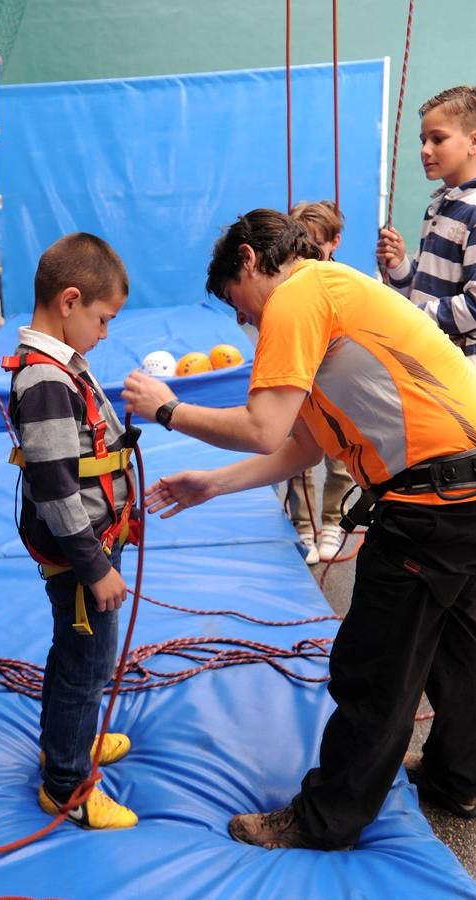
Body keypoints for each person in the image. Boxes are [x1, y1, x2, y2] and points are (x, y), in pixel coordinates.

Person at [122, 209, 476, 851]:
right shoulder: (333, 297)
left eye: (237, 302)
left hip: (435, 500)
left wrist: (168, 409)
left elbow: (261, 425)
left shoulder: (300, 294)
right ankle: (459, 778)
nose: (242, 321)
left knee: (376, 666)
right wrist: (212, 483)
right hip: (465, 490)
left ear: (253, 262)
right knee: (462, 648)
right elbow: (301, 448)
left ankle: (325, 819)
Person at [4, 232, 138, 830]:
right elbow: (58, 488)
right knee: (88, 666)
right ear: (70, 300)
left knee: (74, 656)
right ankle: (66, 784)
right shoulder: (45, 382)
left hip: (92, 549)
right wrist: (95, 567)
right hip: (82, 560)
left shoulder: (61, 368)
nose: (105, 333)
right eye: (103, 319)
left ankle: (67, 741)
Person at [377, 85, 476, 366]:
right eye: (423, 140)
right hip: (431, 359)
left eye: (437, 139)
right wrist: (399, 265)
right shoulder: (440, 206)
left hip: (461, 374)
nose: (425, 150)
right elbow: (425, 288)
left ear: (473, 142)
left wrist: (412, 320)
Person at [287, 201, 353, 564]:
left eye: (316, 246)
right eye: (301, 247)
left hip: (339, 382)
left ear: (335, 243)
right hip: (303, 380)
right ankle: (302, 523)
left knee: (341, 455)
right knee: (299, 452)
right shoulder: (291, 285)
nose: (308, 255)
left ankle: (333, 521)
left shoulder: (345, 284)